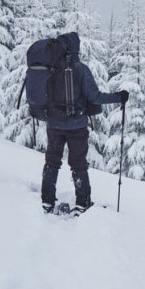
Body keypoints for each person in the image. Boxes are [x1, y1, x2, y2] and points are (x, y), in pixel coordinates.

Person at [41, 32, 129, 215]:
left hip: (54, 125)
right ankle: (82, 202)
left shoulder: (51, 67)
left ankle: (47, 202)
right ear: (75, 48)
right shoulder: (81, 69)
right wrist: (118, 97)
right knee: (78, 164)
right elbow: (95, 97)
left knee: (52, 162)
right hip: (76, 126)